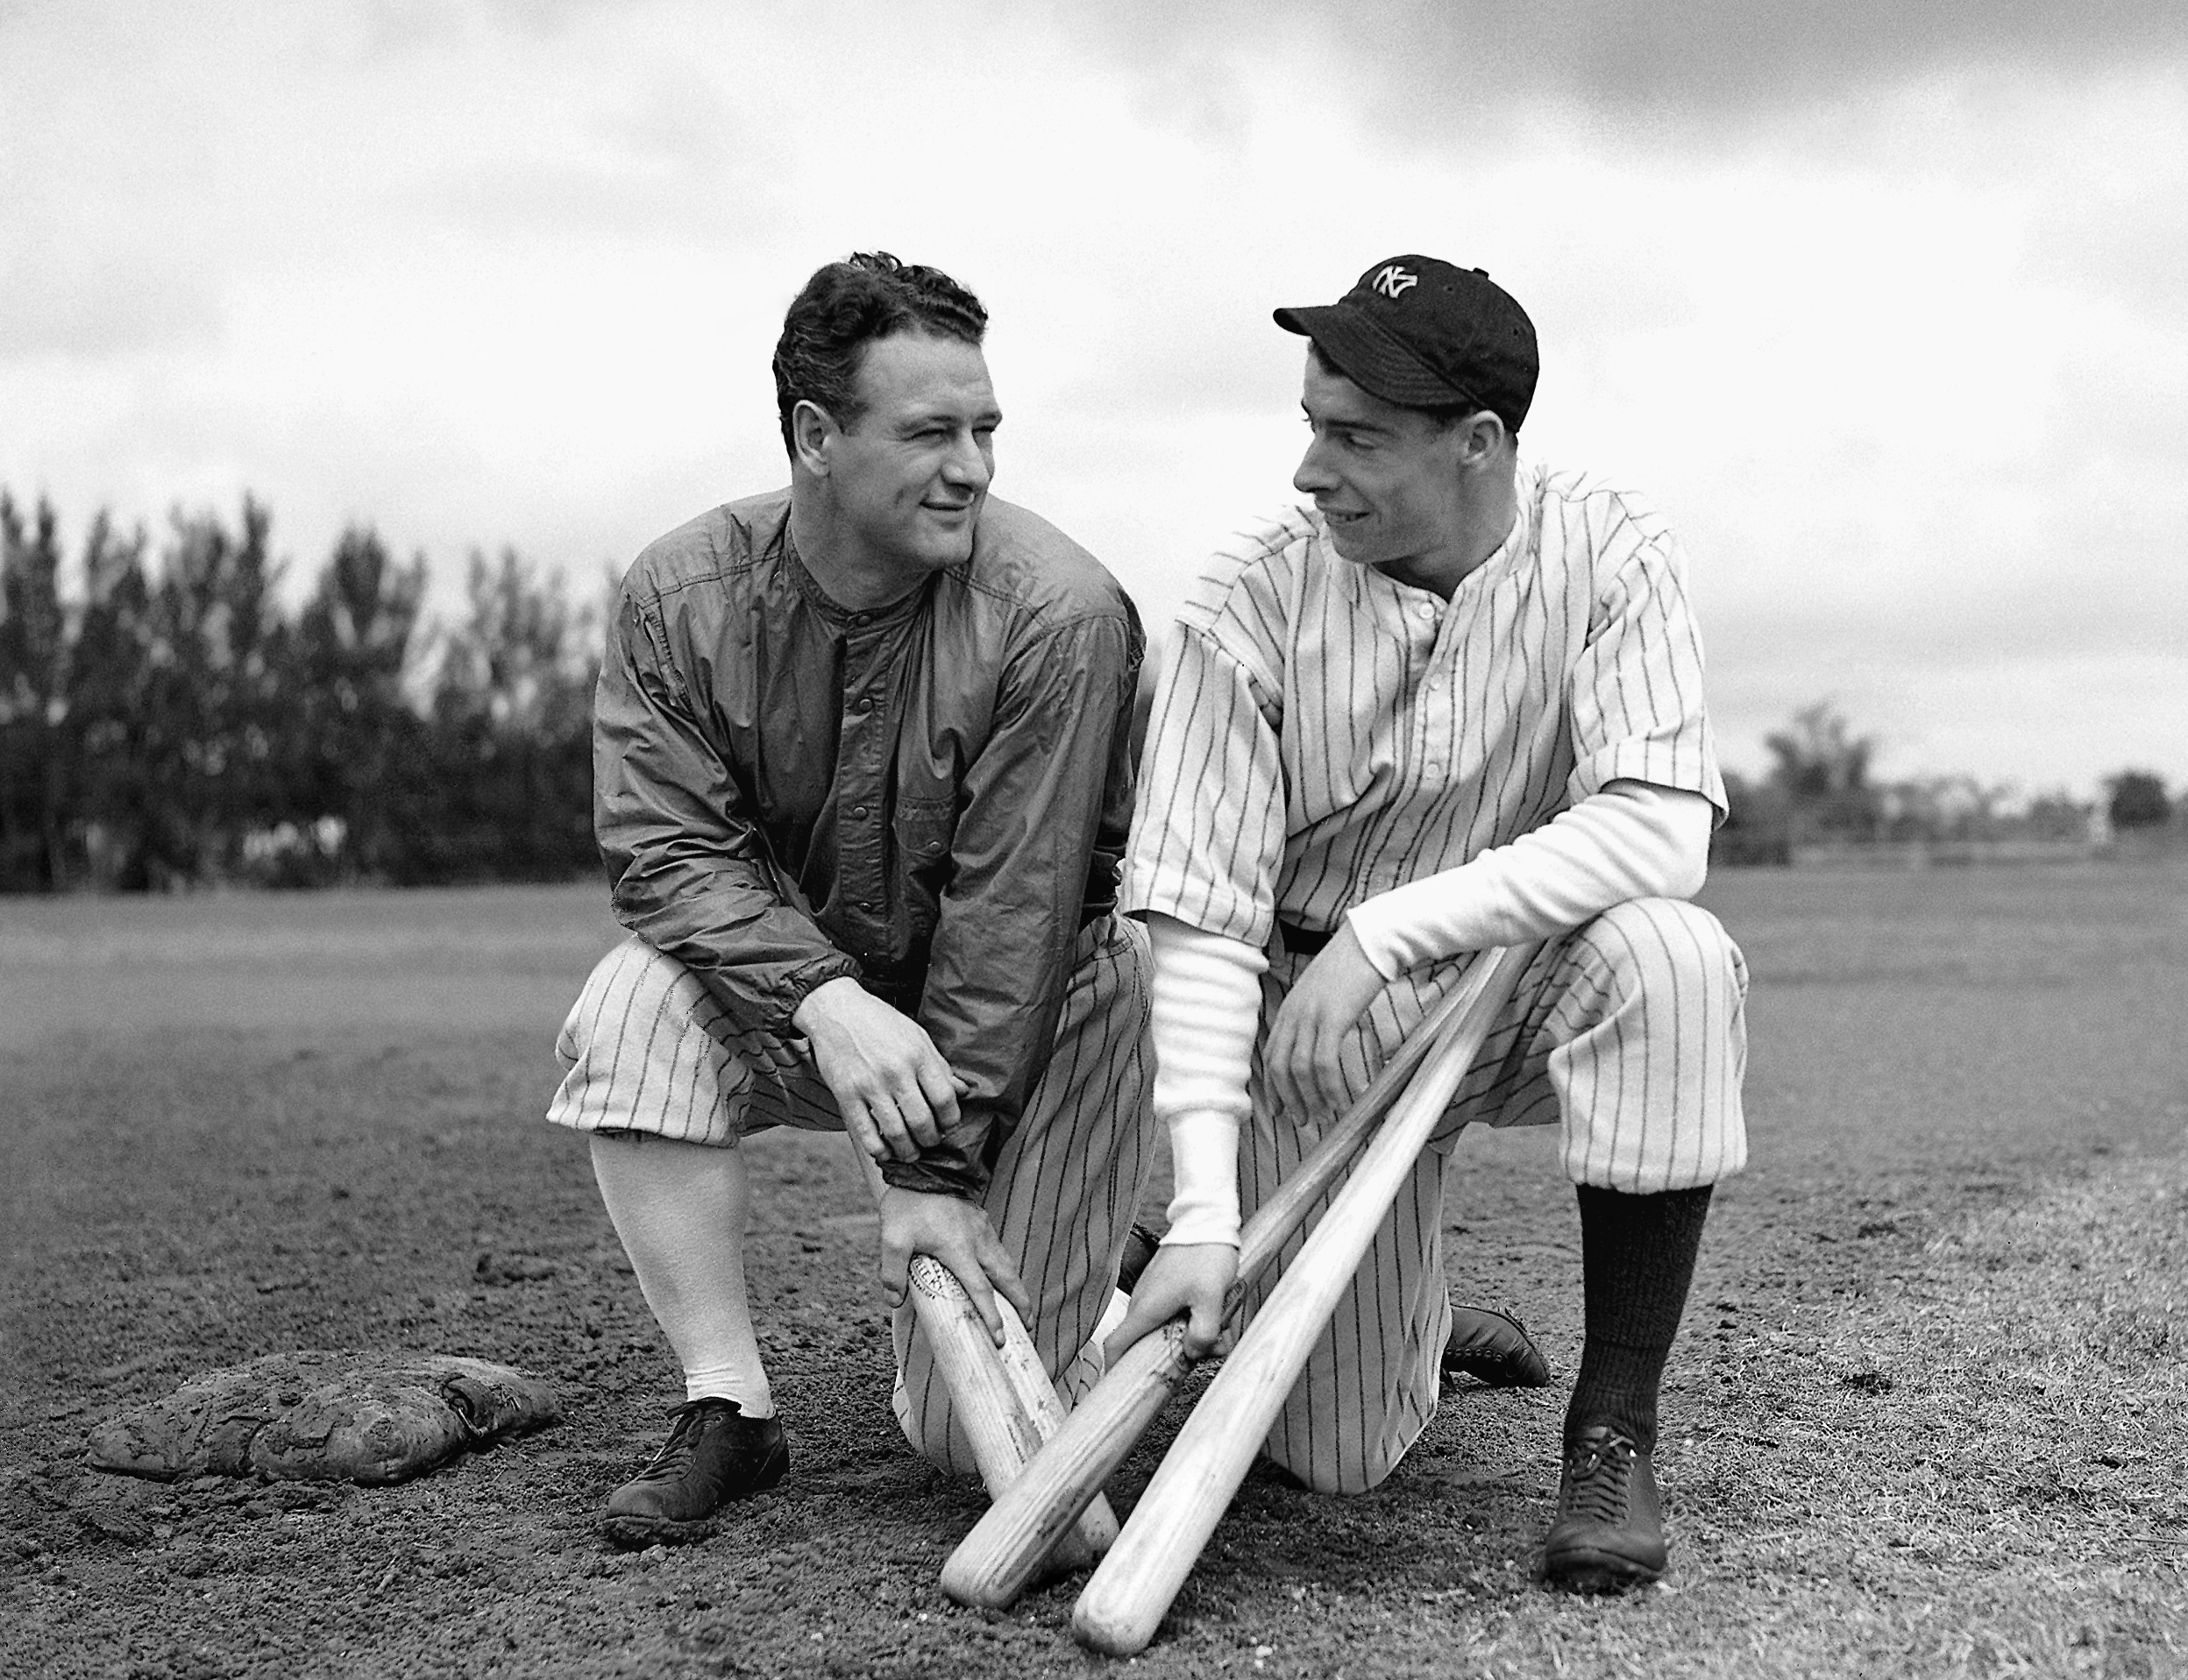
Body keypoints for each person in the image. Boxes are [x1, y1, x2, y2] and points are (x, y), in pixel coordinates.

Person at [1111, 255, 1749, 1591]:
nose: (1310, 471)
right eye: (1309, 425)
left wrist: (1392, 927)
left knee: (1676, 959)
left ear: (1479, 444)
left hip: (1506, 982)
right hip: (1308, 1012)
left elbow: (1660, 831)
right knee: (1339, 1455)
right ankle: (1416, 1319)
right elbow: (1202, 917)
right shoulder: (1248, 597)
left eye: (1355, 438)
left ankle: (1612, 1428)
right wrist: (1209, 1208)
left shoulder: (1608, 547)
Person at [546, 252, 1156, 1548]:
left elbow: (1020, 912)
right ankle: (730, 1404)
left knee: (948, 1435)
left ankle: (1117, 1264)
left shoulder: (1061, 611)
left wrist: (931, 1171)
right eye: (930, 431)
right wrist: (823, 996)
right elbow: (662, 849)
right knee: (628, 1008)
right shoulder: (680, 591)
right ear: (816, 436)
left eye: (986, 429)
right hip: (818, 1000)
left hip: (1037, 1018)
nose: (975, 466)